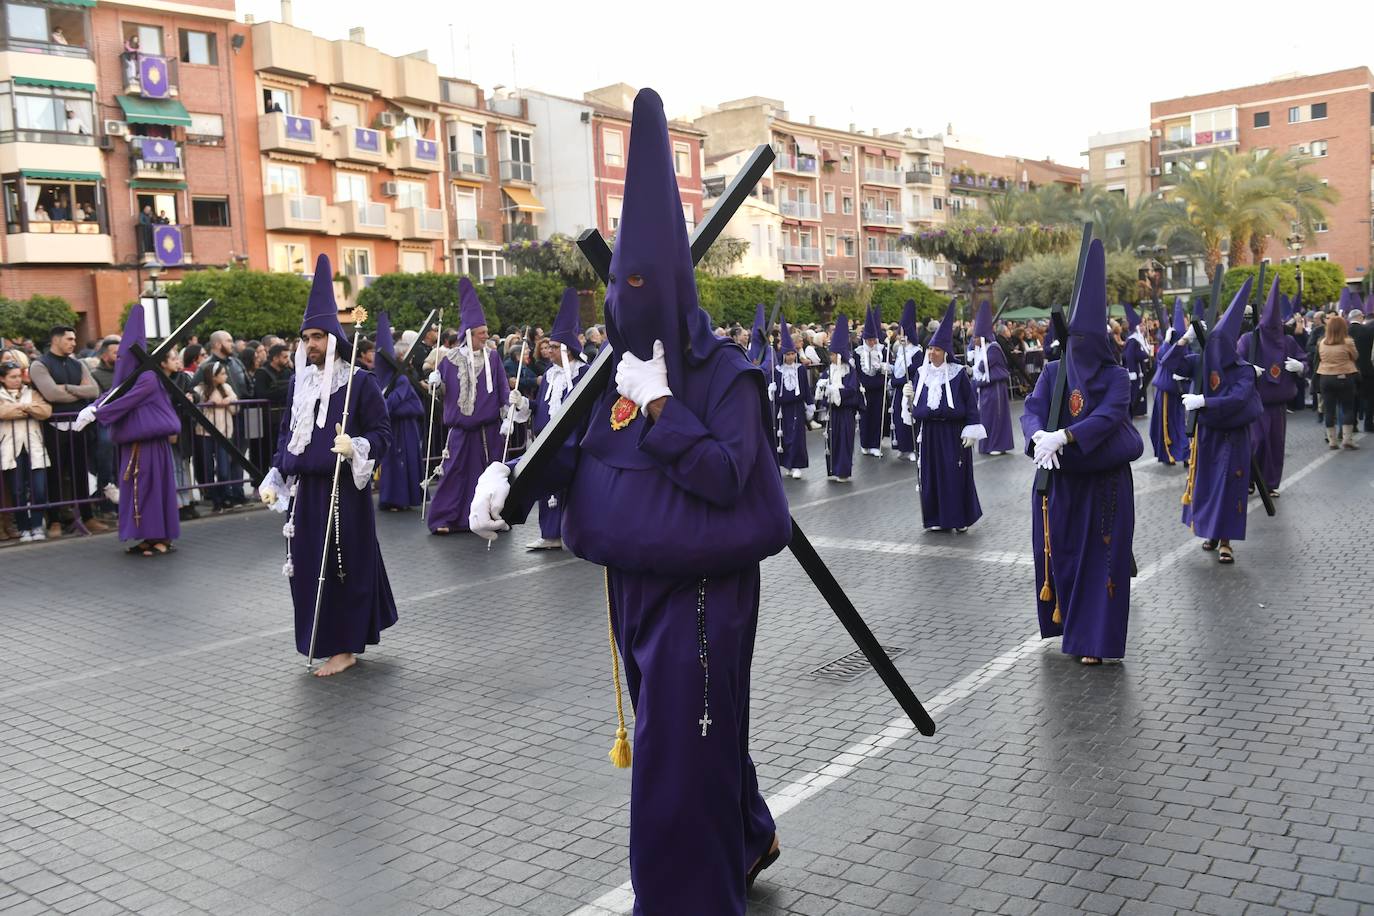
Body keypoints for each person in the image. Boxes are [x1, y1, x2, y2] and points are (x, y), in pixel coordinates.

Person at [469, 89, 790, 913]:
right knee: (683, 751)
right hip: (631, 595)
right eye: (621, 282)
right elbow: (568, 457)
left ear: (673, 285)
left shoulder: (727, 376)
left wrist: (661, 407)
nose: (628, 297)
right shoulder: (604, 376)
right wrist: (507, 481)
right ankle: (749, 833)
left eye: (644, 281)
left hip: (704, 603)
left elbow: (728, 476)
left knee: (677, 774)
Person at [258, 254, 396, 678]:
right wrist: (276, 472)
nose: (311, 344)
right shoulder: (299, 384)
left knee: (341, 566)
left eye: (317, 336)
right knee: (304, 571)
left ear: (333, 338)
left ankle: (345, 647)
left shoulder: (359, 381)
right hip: (305, 494)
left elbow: (382, 433)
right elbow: (287, 433)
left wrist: (354, 446)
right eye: (305, 338)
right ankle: (321, 639)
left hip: (342, 492)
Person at [1021, 240, 1143, 665]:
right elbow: (1032, 410)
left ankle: (1095, 643)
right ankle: (1071, 628)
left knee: (1101, 561)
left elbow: (1109, 418)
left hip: (1105, 487)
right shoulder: (1054, 372)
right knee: (1067, 558)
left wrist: (1067, 437)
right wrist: (1039, 436)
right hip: (1063, 485)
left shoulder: (1117, 378)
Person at [1162, 278, 1262, 565]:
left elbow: (1239, 400)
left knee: (1230, 487)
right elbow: (1169, 365)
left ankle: (1227, 542)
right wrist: (1182, 340)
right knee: (1207, 486)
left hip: (1234, 438)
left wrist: (1205, 402)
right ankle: (1211, 533)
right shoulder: (1201, 363)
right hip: (1207, 436)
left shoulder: (1243, 371)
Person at [80, 306, 181, 556]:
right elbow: (112, 395)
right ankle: (148, 536)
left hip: (150, 444)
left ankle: (162, 538)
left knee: (152, 490)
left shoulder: (146, 377)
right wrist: (92, 407)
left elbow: (125, 400)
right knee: (138, 491)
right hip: (134, 445)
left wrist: (97, 413)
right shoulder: (133, 377)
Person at [426, 278, 520, 535]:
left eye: (486, 333)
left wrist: (507, 414)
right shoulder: (449, 359)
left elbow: (502, 387)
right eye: (481, 334)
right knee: (453, 471)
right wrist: (435, 384)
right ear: (469, 334)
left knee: (490, 475)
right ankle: (446, 518)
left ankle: (491, 516)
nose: (486, 337)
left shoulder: (492, 357)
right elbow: (441, 393)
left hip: (487, 430)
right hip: (460, 430)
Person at [904, 299, 984, 532]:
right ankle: (936, 518)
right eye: (929, 348)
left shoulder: (958, 374)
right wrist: (908, 398)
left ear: (945, 352)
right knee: (931, 476)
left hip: (952, 433)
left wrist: (971, 430)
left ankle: (959, 519)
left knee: (953, 475)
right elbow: (916, 408)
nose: (931, 353)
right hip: (929, 433)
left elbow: (970, 404)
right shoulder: (920, 374)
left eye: (936, 349)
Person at [28, 325, 106, 537]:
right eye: (69, 339)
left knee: (80, 472)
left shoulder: (77, 363)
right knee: (55, 475)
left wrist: (68, 388)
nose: (73, 342)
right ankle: (54, 520)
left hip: (79, 425)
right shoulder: (39, 364)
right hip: (53, 427)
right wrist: (78, 391)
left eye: (74, 339)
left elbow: (94, 390)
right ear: (56, 340)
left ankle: (88, 517)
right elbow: (51, 394)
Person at [526, 288, 585, 549]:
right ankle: (550, 534)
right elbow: (543, 406)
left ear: (569, 350)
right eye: (549, 347)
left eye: (555, 347)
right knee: (547, 489)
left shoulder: (583, 373)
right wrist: (523, 404)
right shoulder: (550, 375)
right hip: (546, 441)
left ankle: (571, 534)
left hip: (572, 442)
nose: (549, 352)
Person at [1237, 278, 1308, 495]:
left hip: (1278, 405)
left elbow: (1304, 359)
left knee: (1276, 445)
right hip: (1256, 403)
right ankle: (1250, 480)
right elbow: (1235, 363)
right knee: (1257, 442)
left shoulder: (1286, 342)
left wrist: (1300, 367)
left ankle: (1270, 484)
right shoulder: (1249, 340)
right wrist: (1248, 370)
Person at [374, 312, 424, 512]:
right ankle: (392, 498)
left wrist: (389, 407)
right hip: (392, 427)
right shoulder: (382, 380)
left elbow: (393, 405)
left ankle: (403, 498)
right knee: (392, 462)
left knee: (404, 460)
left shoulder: (402, 380)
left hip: (405, 428)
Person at [0, 358, 52, 542]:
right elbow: (1, 412)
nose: (16, 380)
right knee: (17, 490)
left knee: (39, 488)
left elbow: (45, 411)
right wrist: (26, 409)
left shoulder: (32, 392)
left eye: (18, 376)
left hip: (34, 446)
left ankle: (37, 525)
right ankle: (23, 528)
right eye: (12, 377)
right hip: (10, 448)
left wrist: (23, 406)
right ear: (3, 379)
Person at [817, 314, 861, 482]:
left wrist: (835, 392)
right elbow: (823, 387)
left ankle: (843, 470)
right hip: (832, 412)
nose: (831, 358)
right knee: (832, 440)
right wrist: (823, 391)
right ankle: (833, 469)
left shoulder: (849, 371)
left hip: (845, 412)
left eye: (834, 355)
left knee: (843, 441)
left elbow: (851, 390)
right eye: (831, 355)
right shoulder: (829, 371)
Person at [968, 300, 1013, 455]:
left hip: (995, 388)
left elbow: (982, 368)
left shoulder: (993, 349)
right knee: (986, 416)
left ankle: (997, 445)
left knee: (995, 416)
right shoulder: (983, 349)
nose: (973, 340)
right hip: (985, 388)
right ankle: (987, 445)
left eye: (975, 337)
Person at [1149, 300, 1191, 466]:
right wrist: (1166, 342)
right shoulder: (1170, 340)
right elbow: (1163, 359)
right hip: (1167, 390)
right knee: (1167, 423)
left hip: (1179, 389)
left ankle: (1184, 452)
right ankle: (1171, 453)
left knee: (1179, 422)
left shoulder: (1187, 339)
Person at [1316, 313, 1360, 450]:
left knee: (1329, 410)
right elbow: (1355, 356)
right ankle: (1347, 439)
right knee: (1347, 408)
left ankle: (1332, 441)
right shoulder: (1348, 342)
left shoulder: (1322, 342)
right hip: (1344, 376)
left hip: (1325, 377)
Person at [888, 301, 923, 462]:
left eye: (902, 333)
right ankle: (901, 446)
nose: (900, 337)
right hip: (898, 389)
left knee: (909, 418)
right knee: (897, 418)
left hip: (908, 389)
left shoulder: (916, 352)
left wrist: (899, 381)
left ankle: (911, 448)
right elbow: (897, 369)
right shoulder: (901, 352)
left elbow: (914, 371)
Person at [854, 308, 888, 457]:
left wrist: (884, 369)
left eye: (874, 339)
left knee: (877, 416)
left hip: (879, 388)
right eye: (869, 340)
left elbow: (888, 368)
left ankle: (875, 443)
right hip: (864, 389)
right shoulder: (857, 352)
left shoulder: (883, 351)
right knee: (864, 417)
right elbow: (856, 371)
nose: (872, 342)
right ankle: (865, 443)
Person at [1347, 298, 1373, 433]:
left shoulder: (1344, 332)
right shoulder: (1368, 331)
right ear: (1360, 317)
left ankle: (1353, 425)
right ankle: (1368, 424)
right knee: (1369, 398)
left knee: (1352, 399)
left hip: (1349, 370)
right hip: (1367, 369)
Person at [1121, 304, 1150, 418]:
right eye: (1141, 325)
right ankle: (1136, 411)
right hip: (1135, 370)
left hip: (1140, 369)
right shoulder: (1133, 340)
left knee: (1140, 389)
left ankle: (1140, 411)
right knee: (1135, 391)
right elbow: (1129, 356)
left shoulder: (1138, 338)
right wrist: (1143, 355)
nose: (1143, 327)